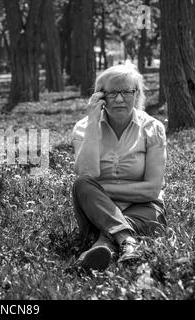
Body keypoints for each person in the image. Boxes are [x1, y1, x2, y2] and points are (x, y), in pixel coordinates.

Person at [71, 61, 168, 271]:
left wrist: (102, 191)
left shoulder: (153, 128)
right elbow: (88, 175)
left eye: (126, 92)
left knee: (90, 192)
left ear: (137, 94)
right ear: (100, 96)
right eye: (112, 93)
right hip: (96, 209)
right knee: (82, 184)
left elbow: (152, 190)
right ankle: (128, 243)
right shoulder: (83, 128)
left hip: (143, 209)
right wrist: (93, 124)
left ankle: (105, 245)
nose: (119, 99)